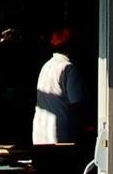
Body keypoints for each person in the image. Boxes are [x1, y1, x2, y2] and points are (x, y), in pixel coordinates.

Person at [31, 26, 85, 173]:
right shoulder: (68, 68)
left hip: (40, 135)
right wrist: (87, 126)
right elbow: (78, 104)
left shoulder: (46, 66)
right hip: (60, 137)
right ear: (71, 46)